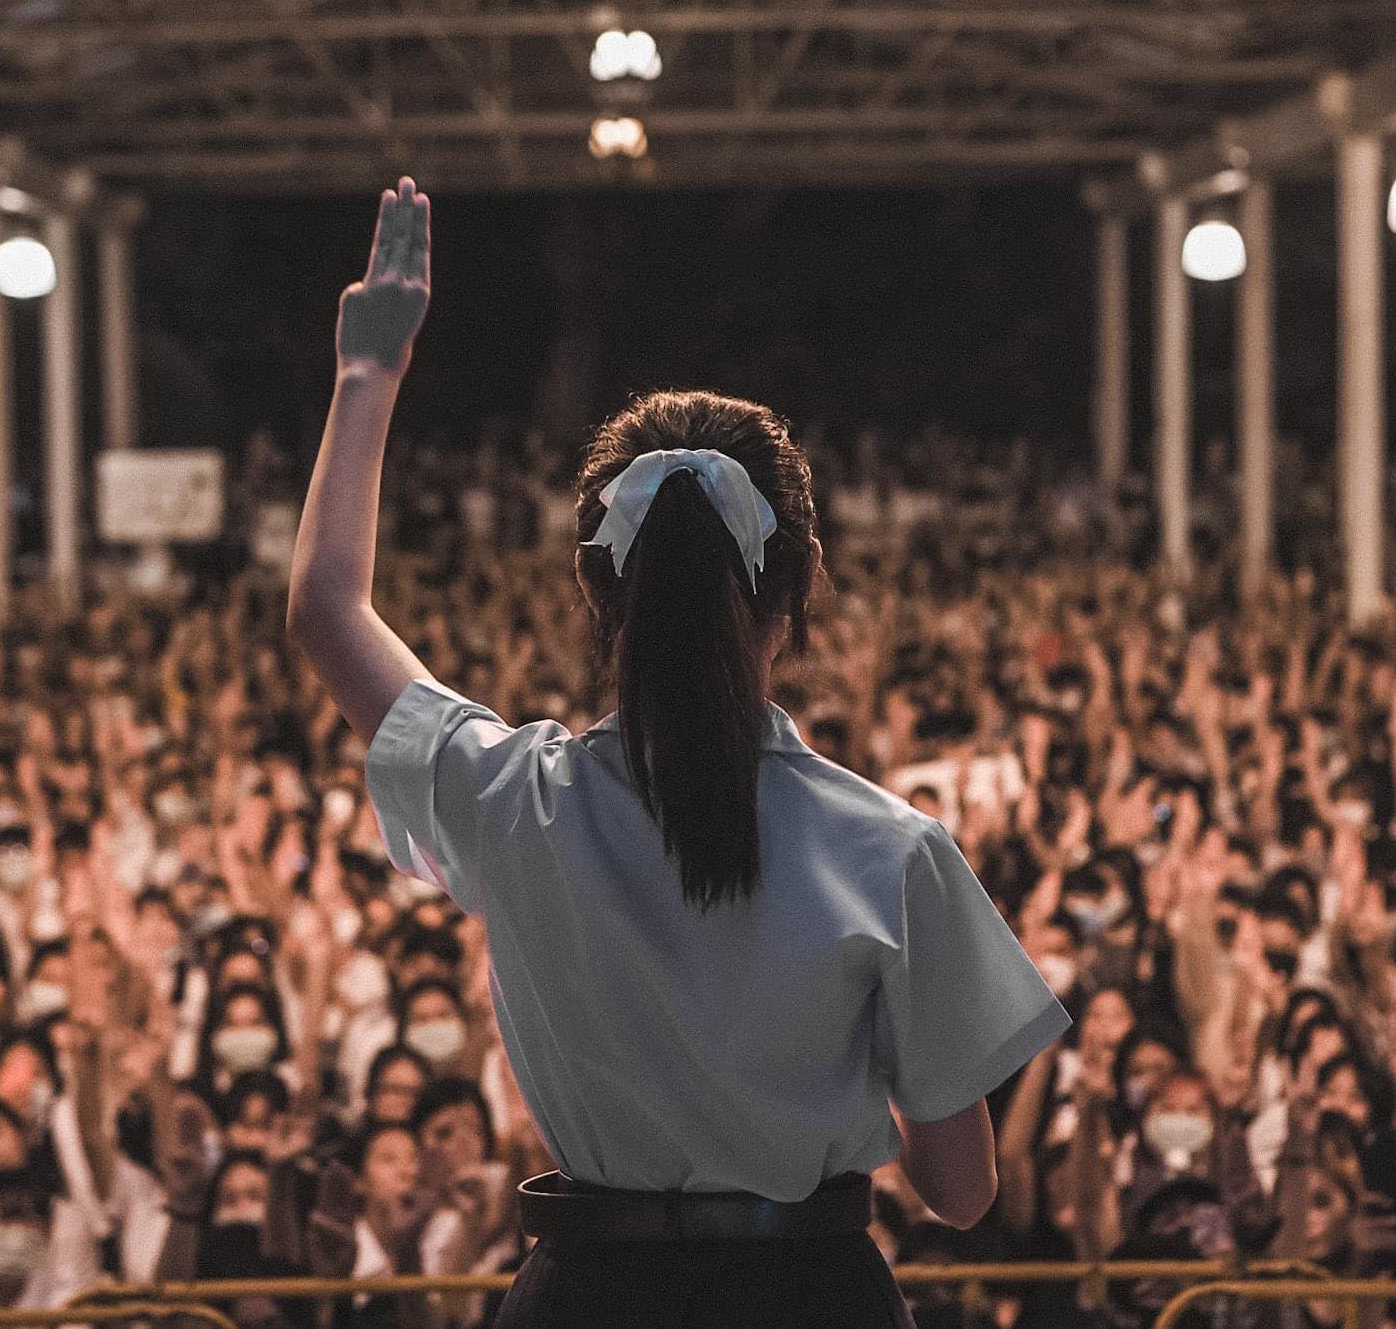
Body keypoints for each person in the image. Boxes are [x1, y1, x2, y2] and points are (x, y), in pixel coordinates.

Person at [287, 177, 1073, 1325]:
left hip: (584, 1299)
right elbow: (958, 1192)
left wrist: (368, 376)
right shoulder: (891, 850)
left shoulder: (513, 801)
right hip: (813, 1297)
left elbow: (325, 609)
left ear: (596, 593)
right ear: (797, 591)